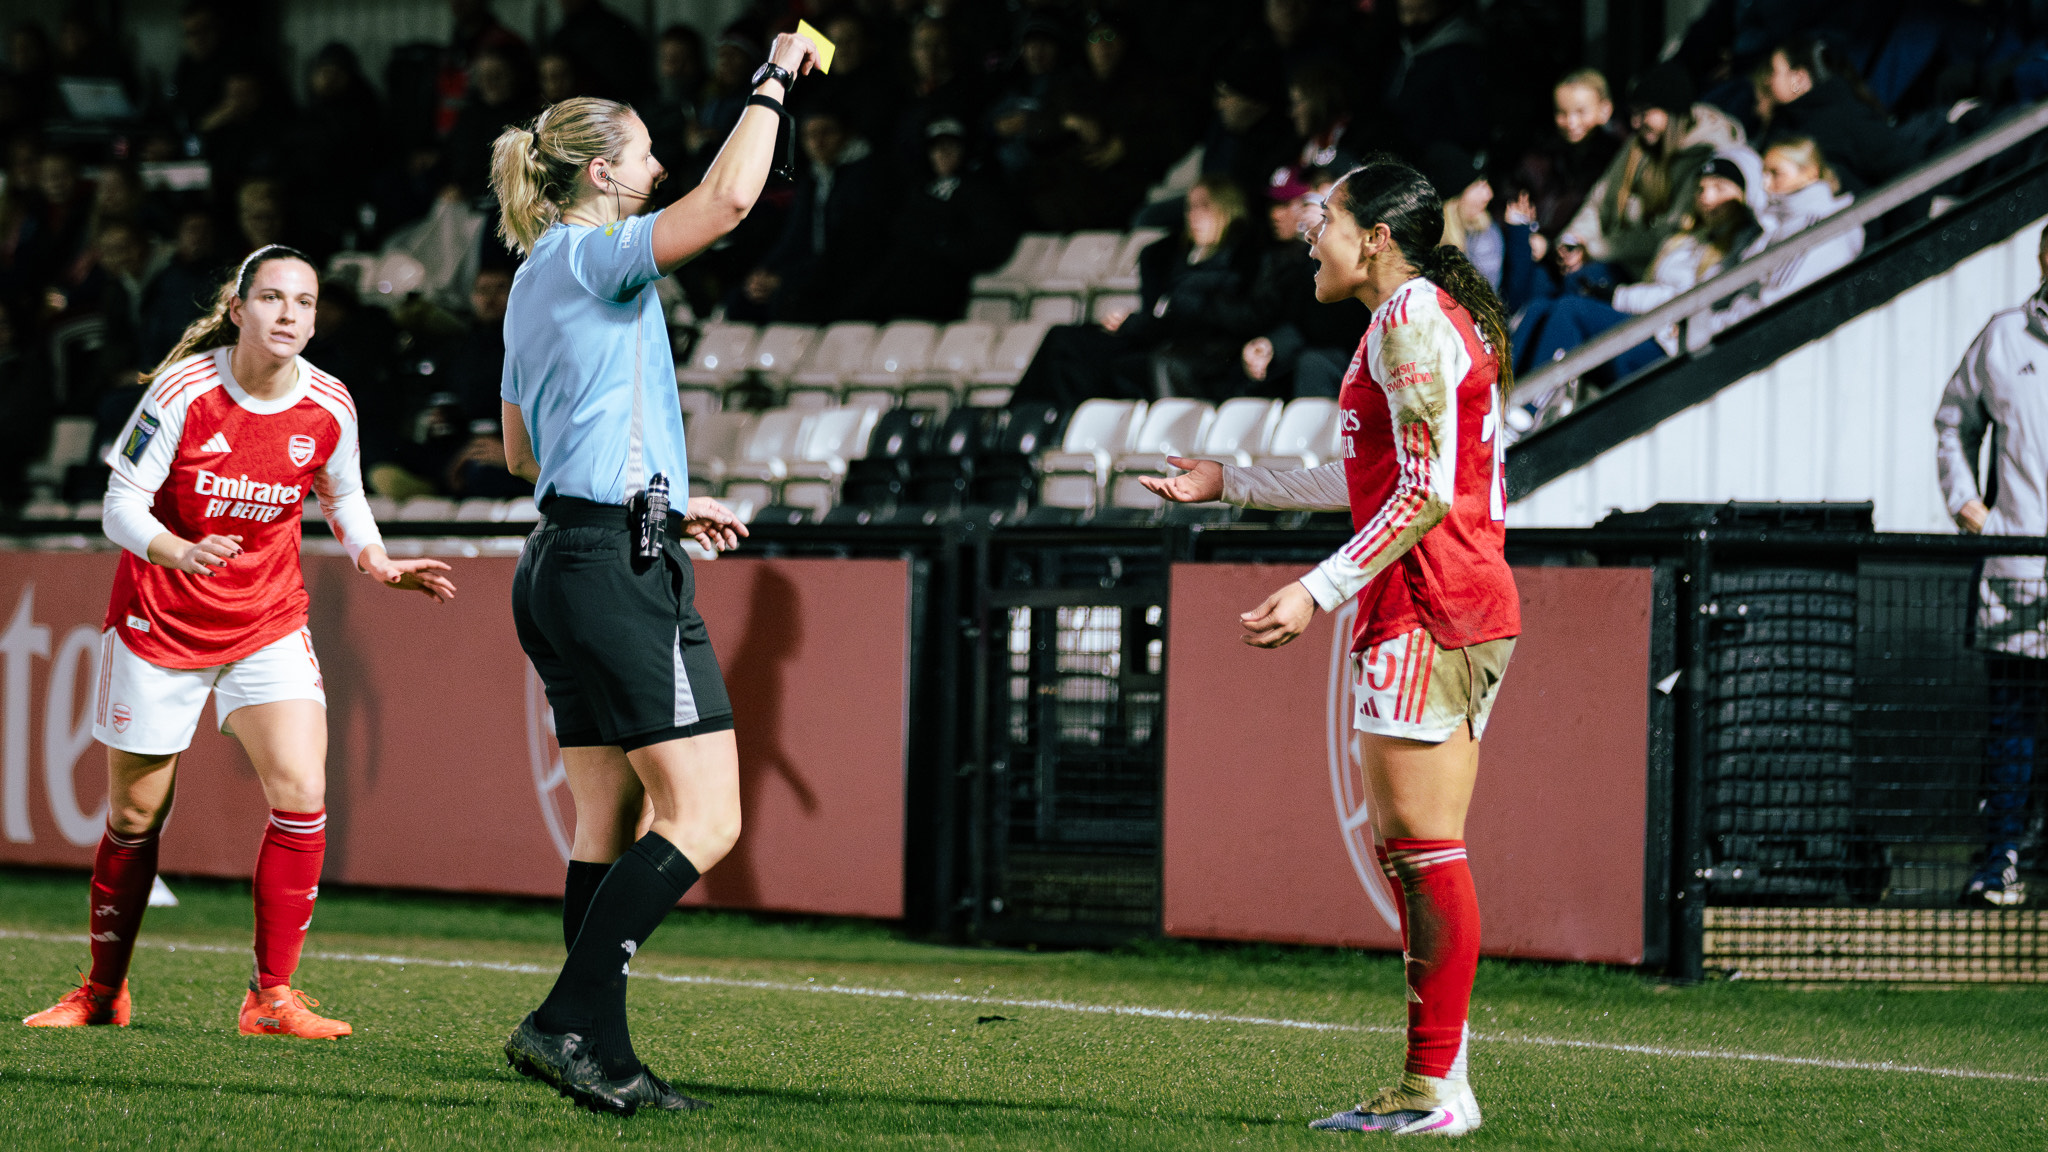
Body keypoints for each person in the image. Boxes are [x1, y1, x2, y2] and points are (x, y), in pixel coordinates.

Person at [1143, 155, 1516, 1137]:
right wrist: (1233, 482)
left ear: (1377, 237)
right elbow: (1374, 481)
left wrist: (1316, 590)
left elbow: (1423, 494)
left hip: (1430, 601)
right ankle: (1441, 1083)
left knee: (1423, 850)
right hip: (1442, 597)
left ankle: (1432, 1090)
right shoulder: (1418, 317)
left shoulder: (1407, 322)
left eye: (1327, 220)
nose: (1311, 236)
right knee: (1416, 850)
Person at [488, 30, 818, 1115]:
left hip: (556, 559)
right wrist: (771, 83)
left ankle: (599, 1049)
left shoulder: (530, 277)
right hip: (614, 569)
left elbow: (523, 454)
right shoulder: (593, 252)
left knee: (605, 823)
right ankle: (563, 1023)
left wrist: (667, 498)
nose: (657, 168)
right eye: (641, 156)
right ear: (601, 173)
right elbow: (727, 202)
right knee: (705, 820)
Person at [21, 245, 457, 1035]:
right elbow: (119, 504)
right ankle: (103, 992)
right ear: (238, 309)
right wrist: (178, 551)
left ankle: (271, 997)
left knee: (302, 791)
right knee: (135, 816)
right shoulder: (183, 391)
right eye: (273, 298)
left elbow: (344, 494)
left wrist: (376, 559)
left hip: (266, 620)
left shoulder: (329, 403)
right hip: (161, 618)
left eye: (305, 303)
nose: (290, 314)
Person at [1934, 224, 2048, 908]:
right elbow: (1954, 420)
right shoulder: (2005, 338)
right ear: (2043, 258)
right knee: (2012, 722)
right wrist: (1967, 504)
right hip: (2019, 567)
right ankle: (2000, 858)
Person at [1513, 151, 1763, 381]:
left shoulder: (1742, 246)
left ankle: (1530, 407)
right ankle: (1502, 392)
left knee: (1570, 309)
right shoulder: (1687, 238)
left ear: (1745, 195)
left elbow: (1686, 298)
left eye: (1720, 188)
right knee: (1540, 307)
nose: (1706, 198)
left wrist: (1618, 296)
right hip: (1649, 323)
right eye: (1701, 189)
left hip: (1670, 343)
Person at [1560, 62, 1748, 281]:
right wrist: (1572, 240)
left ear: (1671, 111)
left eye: (1644, 112)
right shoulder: (1640, 144)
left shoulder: (1707, 155)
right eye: (1633, 113)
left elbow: (1667, 233)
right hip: (1608, 259)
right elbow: (1599, 201)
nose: (1635, 122)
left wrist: (1593, 249)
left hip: (1650, 275)